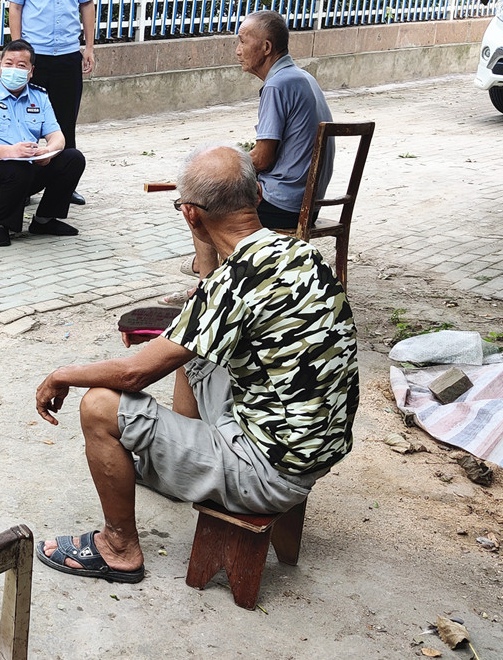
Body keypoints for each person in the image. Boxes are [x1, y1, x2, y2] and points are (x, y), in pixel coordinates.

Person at [33, 144, 358, 583]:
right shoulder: (302, 254)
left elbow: (134, 373)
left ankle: (118, 548)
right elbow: (210, 294)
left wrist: (60, 374)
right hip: (314, 446)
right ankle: (172, 455)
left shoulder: (233, 283)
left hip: (268, 473)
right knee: (189, 338)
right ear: (258, 194)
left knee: (98, 405)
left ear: (189, 214)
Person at [167, 9, 334, 304]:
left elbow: (263, 158)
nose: (238, 50)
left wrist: (221, 167)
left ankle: (208, 288)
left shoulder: (277, 84)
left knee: (198, 202)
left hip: (286, 203)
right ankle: (214, 276)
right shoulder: (301, 77)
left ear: (266, 47)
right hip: (306, 199)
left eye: (243, 41)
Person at [2, 0, 98, 206]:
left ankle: (63, 186)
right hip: (37, 57)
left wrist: (89, 48)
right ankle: (23, 184)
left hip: (69, 55)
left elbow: (87, 5)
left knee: (65, 123)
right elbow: (14, 7)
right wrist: (20, 56)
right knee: (26, 121)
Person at [0, 39, 87, 247]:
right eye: (8, 63)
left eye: (21, 66)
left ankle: (44, 220)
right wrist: (11, 151)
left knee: (73, 158)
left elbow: (58, 136)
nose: (13, 69)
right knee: (16, 167)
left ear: (31, 71)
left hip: (27, 168)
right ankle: (2, 225)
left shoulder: (39, 96)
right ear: (0, 65)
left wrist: (47, 152)